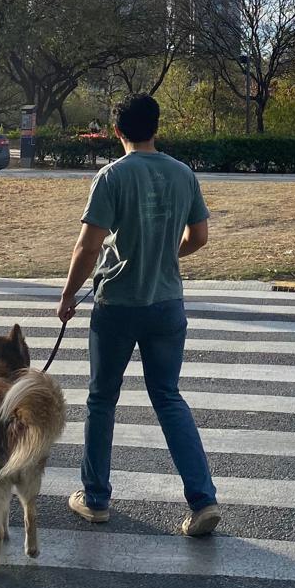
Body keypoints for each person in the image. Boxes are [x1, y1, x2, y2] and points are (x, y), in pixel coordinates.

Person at [57, 92, 220, 538]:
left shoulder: (112, 176)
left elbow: (88, 246)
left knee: (101, 399)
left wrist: (68, 295)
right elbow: (199, 237)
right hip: (167, 305)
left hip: (118, 306)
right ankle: (203, 499)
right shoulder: (183, 173)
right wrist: (165, 255)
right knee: (167, 397)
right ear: (156, 127)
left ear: (116, 131)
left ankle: (95, 499)